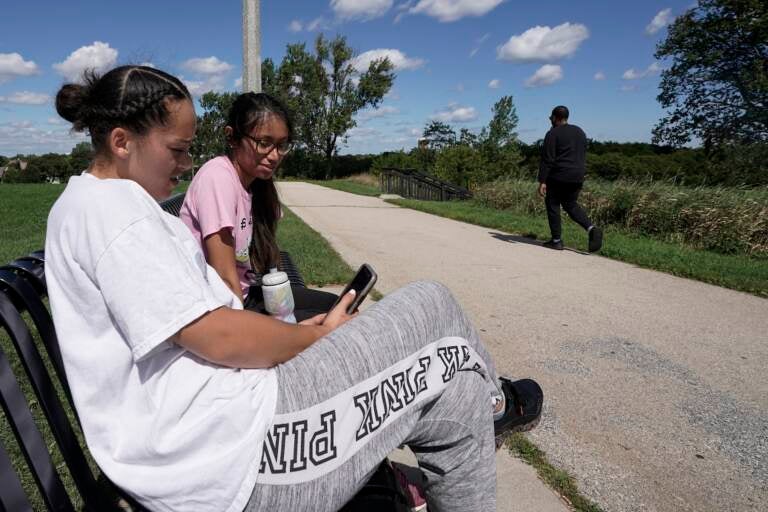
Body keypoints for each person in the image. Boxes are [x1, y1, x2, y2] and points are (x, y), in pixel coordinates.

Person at [45, 64, 541, 512]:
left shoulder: (105, 205)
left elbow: (208, 320)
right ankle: (494, 404)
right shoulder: (113, 214)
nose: (186, 162)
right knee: (432, 302)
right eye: (176, 149)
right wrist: (315, 339)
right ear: (121, 141)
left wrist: (302, 334)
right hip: (236, 457)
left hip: (225, 427)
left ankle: (483, 402)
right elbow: (215, 334)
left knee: (454, 394)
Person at [179, 92, 337, 321]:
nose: (274, 156)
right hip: (221, 307)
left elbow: (267, 253)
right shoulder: (218, 176)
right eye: (264, 143)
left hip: (250, 292)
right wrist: (256, 333)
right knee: (329, 323)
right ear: (232, 137)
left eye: (282, 145)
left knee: (338, 307)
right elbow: (224, 277)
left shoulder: (258, 185)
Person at [538, 105, 602, 252]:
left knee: (552, 204)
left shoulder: (553, 133)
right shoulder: (580, 132)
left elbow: (547, 159)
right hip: (578, 175)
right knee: (570, 204)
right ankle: (592, 229)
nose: (550, 120)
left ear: (555, 118)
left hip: (559, 175)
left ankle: (556, 241)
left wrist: (542, 181)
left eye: (551, 118)